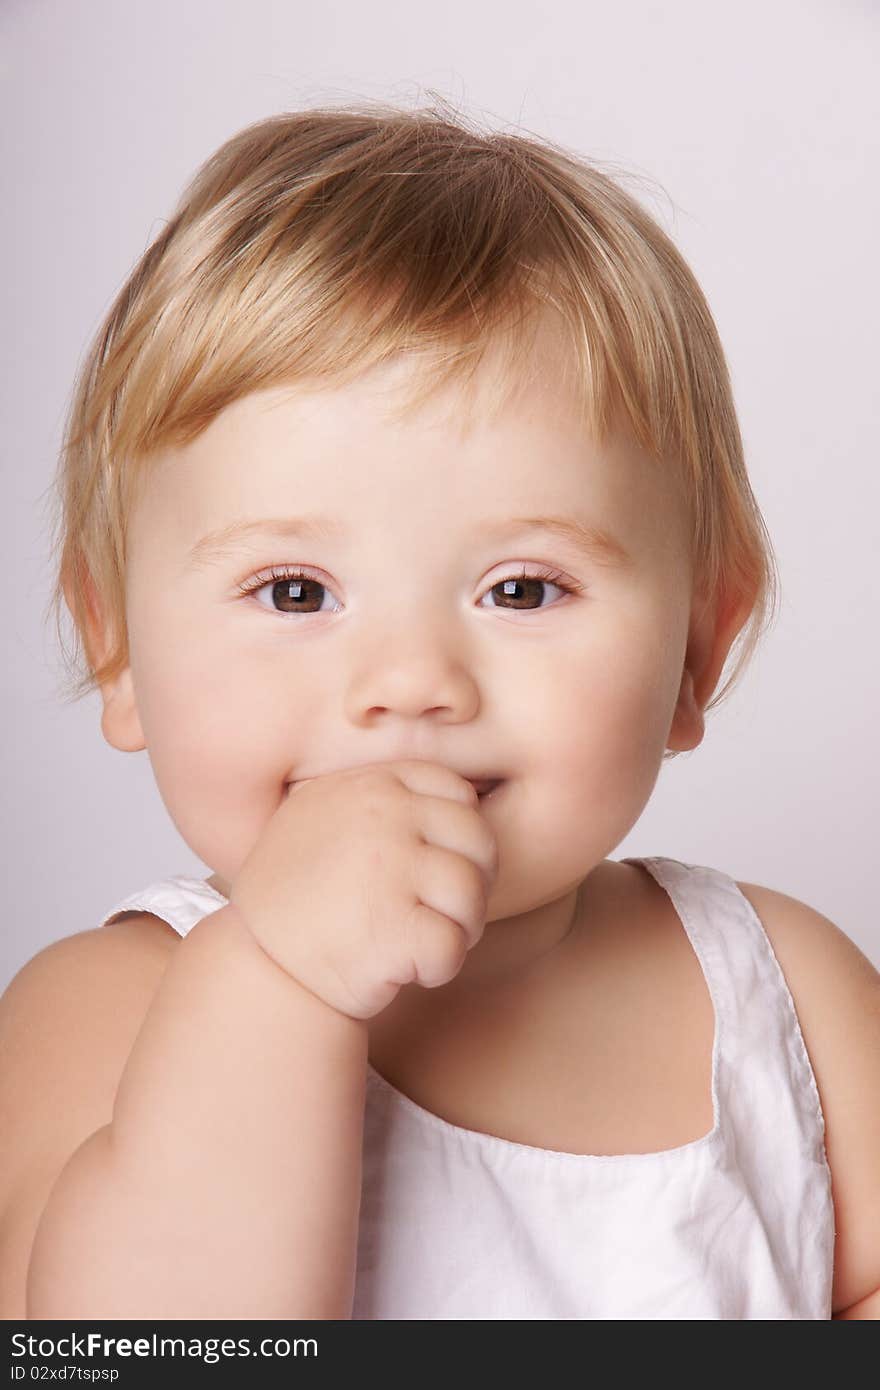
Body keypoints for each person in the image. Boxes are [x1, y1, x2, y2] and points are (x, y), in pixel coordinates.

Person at [2, 100, 878, 1321]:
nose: (411, 679)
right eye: (295, 589)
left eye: (522, 587)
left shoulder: (792, 999)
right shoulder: (103, 1007)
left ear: (694, 651)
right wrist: (276, 981)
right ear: (118, 649)